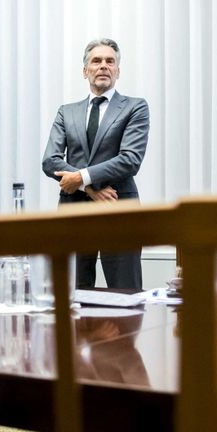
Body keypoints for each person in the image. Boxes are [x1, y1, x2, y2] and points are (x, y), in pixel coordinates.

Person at [41, 38, 150, 290]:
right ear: (85, 70)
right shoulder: (66, 112)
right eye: (96, 61)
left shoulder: (135, 107)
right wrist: (87, 187)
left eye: (110, 61)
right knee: (73, 295)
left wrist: (79, 177)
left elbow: (130, 159)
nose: (103, 66)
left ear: (118, 71)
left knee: (125, 294)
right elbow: (50, 160)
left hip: (119, 206)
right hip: (74, 209)